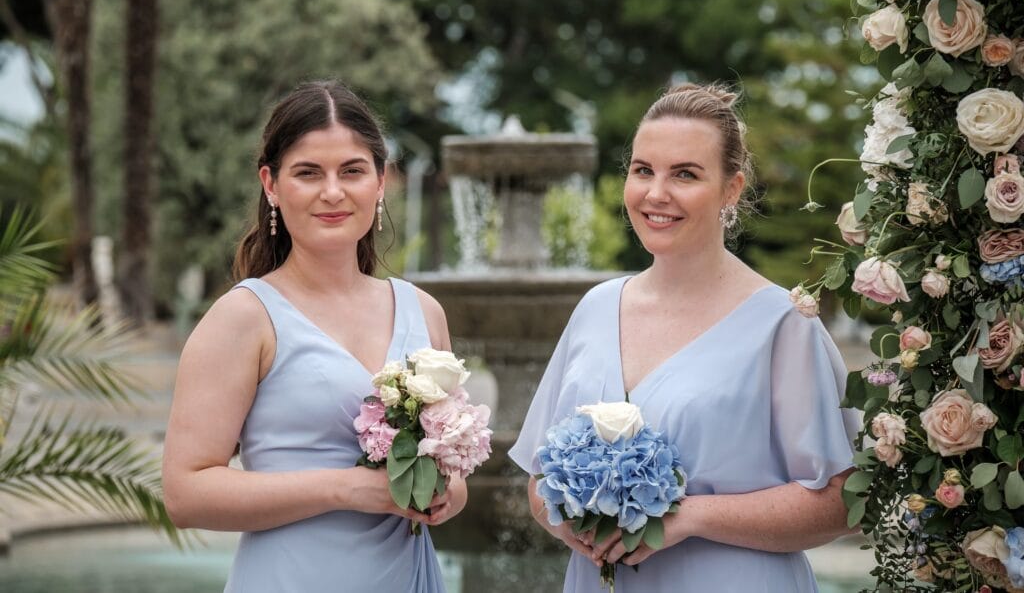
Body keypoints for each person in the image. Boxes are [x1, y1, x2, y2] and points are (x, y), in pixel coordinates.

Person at [509, 82, 860, 592]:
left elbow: (844, 501)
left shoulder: (783, 323)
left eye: (685, 175)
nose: (656, 194)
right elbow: (539, 483)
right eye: (643, 170)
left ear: (731, 189)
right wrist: (577, 524)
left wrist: (688, 517)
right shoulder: (596, 308)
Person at [162, 80, 463, 592]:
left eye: (352, 171)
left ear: (381, 181)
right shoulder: (244, 317)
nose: (332, 191)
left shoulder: (424, 312)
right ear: (271, 185)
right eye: (307, 173)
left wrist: (445, 494)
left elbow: (455, 476)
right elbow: (184, 494)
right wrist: (346, 489)